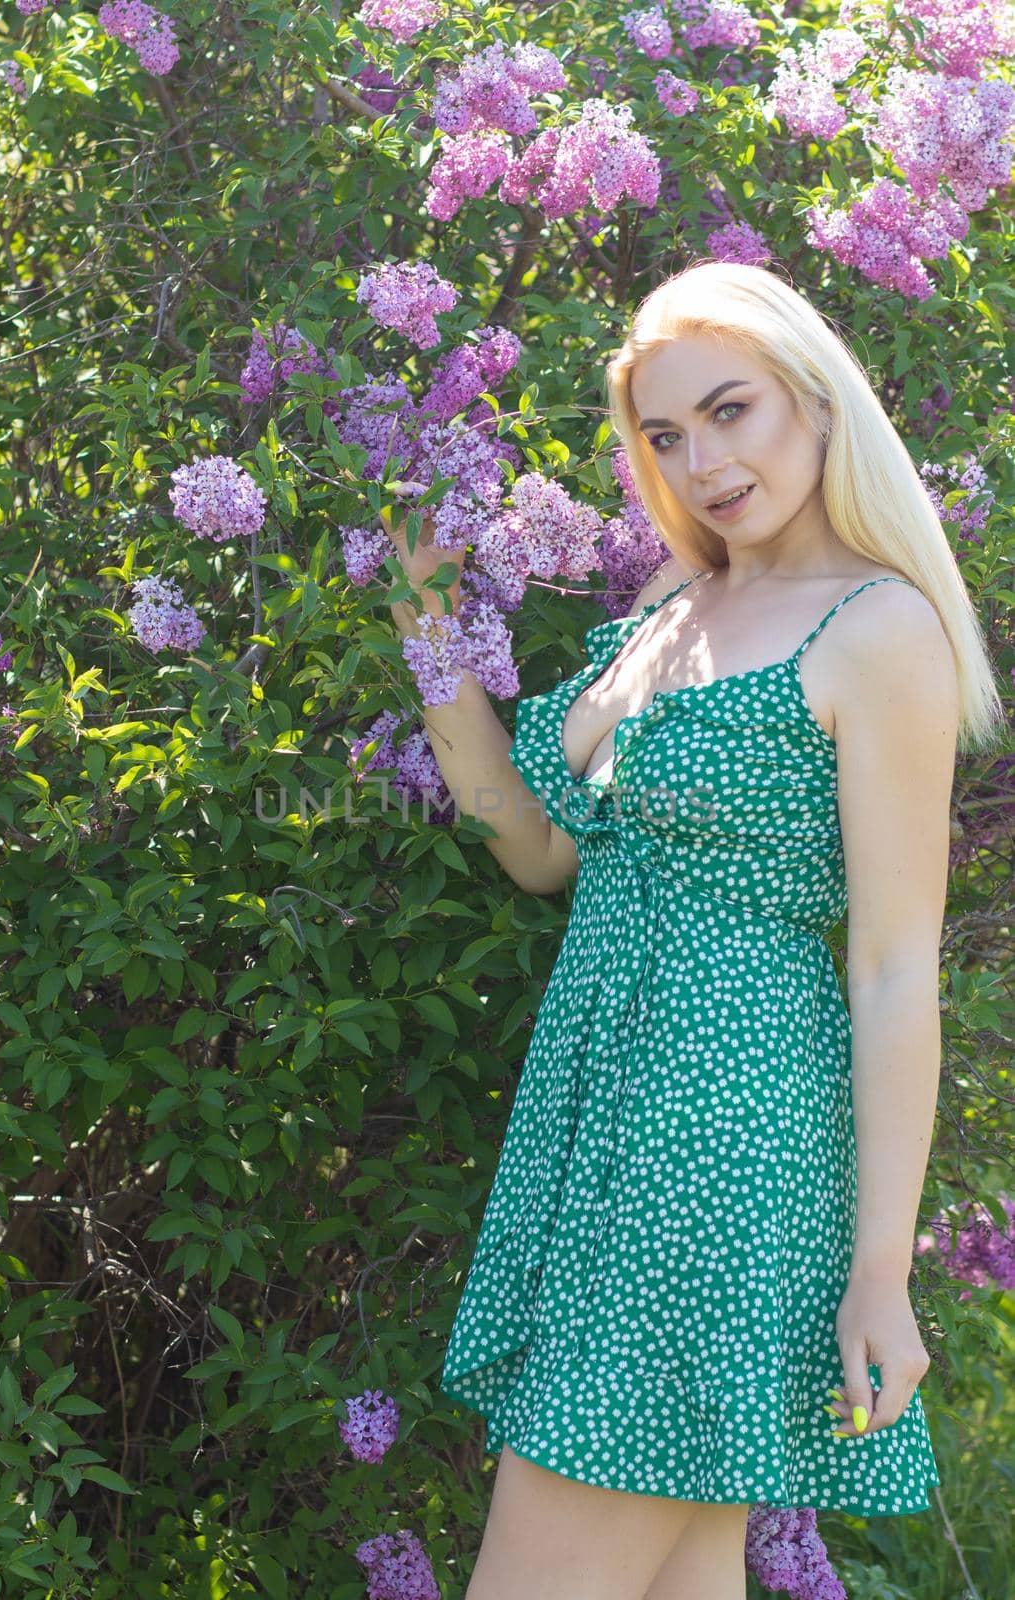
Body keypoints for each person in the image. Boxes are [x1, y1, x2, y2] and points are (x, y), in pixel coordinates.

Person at [384, 261, 1004, 1600]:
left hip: (724, 1156)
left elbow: (896, 967)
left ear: (818, 403)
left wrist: (881, 1272)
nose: (705, 461)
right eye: (667, 436)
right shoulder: (672, 613)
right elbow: (541, 845)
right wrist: (429, 633)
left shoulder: (878, 627)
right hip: (611, 1129)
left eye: (734, 412)